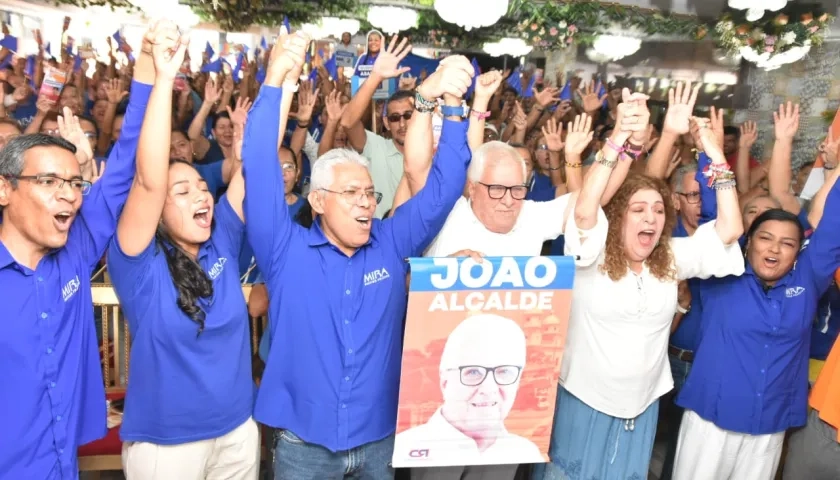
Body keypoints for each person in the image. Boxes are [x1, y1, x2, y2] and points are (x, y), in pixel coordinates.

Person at [242, 30, 474, 479]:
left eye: (369, 193)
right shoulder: (284, 251)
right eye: (351, 193)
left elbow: (445, 188)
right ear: (318, 201)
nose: (366, 202)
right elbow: (259, 164)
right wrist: (275, 80)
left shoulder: (390, 240)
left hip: (377, 440)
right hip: (302, 445)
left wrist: (449, 106)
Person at [534, 103, 745, 480]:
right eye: (638, 209)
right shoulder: (591, 253)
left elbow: (729, 229)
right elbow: (584, 210)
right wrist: (617, 138)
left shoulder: (669, 257)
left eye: (659, 210)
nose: (651, 217)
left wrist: (714, 154)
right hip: (584, 399)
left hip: (643, 406)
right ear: (616, 218)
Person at [105, 21, 260, 478]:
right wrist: (162, 81)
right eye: (182, 192)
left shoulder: (222, 245)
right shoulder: (138, 262)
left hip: (237, 432)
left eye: (201, 186)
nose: (200, 196)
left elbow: (245, 175)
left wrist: (265, 108)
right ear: (156, 210)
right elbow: (149, 177)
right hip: (167, 444)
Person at [0, 22, 155, 479]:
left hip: (63, 465)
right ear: (5, 190)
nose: (69, 194)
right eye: (49, 181)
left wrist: (147, 61)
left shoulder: (75, 251)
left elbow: (126, 160)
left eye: (74, 182)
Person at [394, 314, 542, 466]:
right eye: (473, 372)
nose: (489, 389)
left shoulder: (527, 452)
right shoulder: (403, 449)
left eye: (504, 372)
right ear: (445, 381)